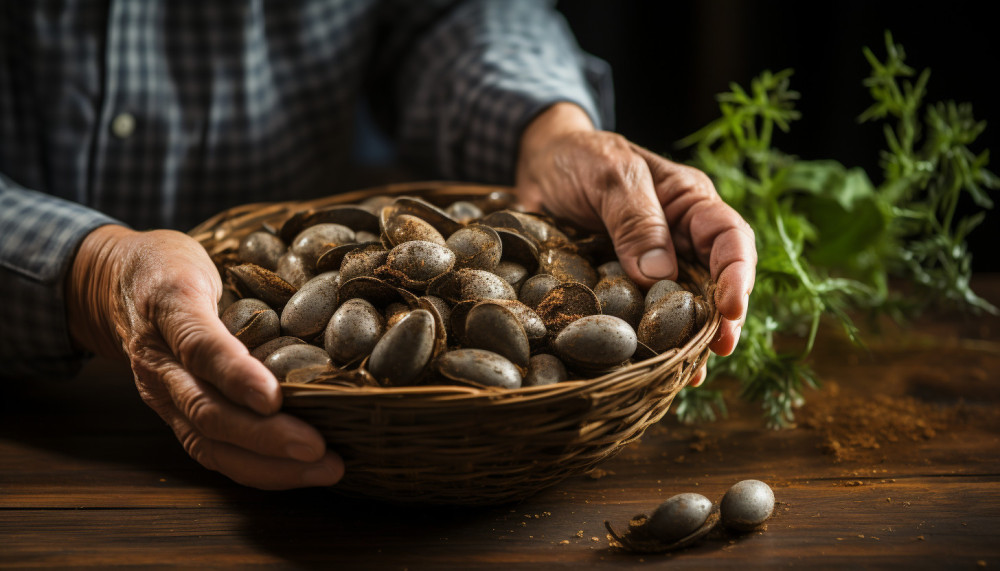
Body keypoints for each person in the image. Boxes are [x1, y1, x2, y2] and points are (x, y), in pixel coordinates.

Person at [0, 1, 755, 490]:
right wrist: (90, 271)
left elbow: (447, 16)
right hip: (30, 438)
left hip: (357, 434)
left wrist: (547, 131)